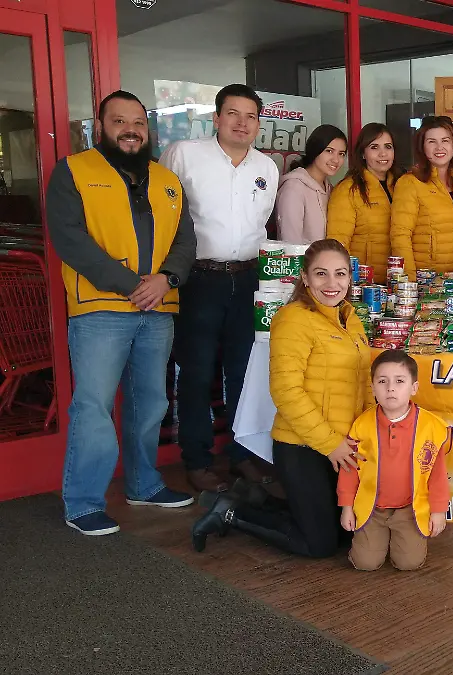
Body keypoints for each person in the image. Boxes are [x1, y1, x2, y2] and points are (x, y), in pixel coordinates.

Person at [46, 90, 197, 534]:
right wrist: (132, 284)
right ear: (100, 125)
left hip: (159, 306)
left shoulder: (166, 179)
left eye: (138, 122)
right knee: (93, 407)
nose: (130, 130)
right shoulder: (74, 171)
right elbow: (70, 239)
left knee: (149, 403)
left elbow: (185, 241)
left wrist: (166, 279)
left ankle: (144, 485)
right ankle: (83, 503)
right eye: (119, 121)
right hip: (100, 309)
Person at [191, 239, 373, 557]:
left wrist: (371, 431)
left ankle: (256, 498)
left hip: (343, 445)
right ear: (304, 278)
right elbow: (287, 393)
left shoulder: (350, 318)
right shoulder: (293, 319)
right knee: (319, 544)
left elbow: (365, 380)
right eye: (321, 274)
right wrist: (331, 444)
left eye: (340, 274)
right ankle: (231, 513)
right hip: (303, 444)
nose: (332, 284)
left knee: (348, 534)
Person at [160, 83, 279, 494]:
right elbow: (163, 218)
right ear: (216, 117)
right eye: (233, 113)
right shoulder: (183, 156)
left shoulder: (267, 168)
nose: (242, 123)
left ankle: (242, 455)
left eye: (250, 116)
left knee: (244, 373)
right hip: (198, 279)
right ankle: (197, 459)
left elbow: (262, 228)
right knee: (194, 371)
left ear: (259, 124)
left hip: (249, 279)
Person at [338, 350, 452, 571]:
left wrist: (438, 511)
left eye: (399, 381)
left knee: (408, 563)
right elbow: (349, 470)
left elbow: (437, 476)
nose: (390, 388)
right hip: (372, 508)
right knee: (365, 563)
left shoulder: (431, 427)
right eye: (382, 381)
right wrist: (347, 507)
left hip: (409, 508)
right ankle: (375, 539)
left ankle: (402, 540)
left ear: (414, 387)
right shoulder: (362, 425)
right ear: (372, 388)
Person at [391, 116, 453, 274]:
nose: (439, 147)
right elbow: (400, 236)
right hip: (426, 281)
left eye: (445, 140)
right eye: (431, 142)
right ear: (422, 147)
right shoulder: (410, 183)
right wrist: (410, 280)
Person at [327, 123, 401, 283]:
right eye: (374, 147)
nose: (383, 153)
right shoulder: (348, 189)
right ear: (363, 153)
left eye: (388, 147)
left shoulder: (401, 186)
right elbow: (338, 242)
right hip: (363, 285)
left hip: (397, 283)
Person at [275, 124, 347, 243]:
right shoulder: (294, 188)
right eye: (329, 151)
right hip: (302, 261)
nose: (336, 160)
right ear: (315, 150)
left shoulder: (330, 189)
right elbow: (291, 243)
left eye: (341, 154)